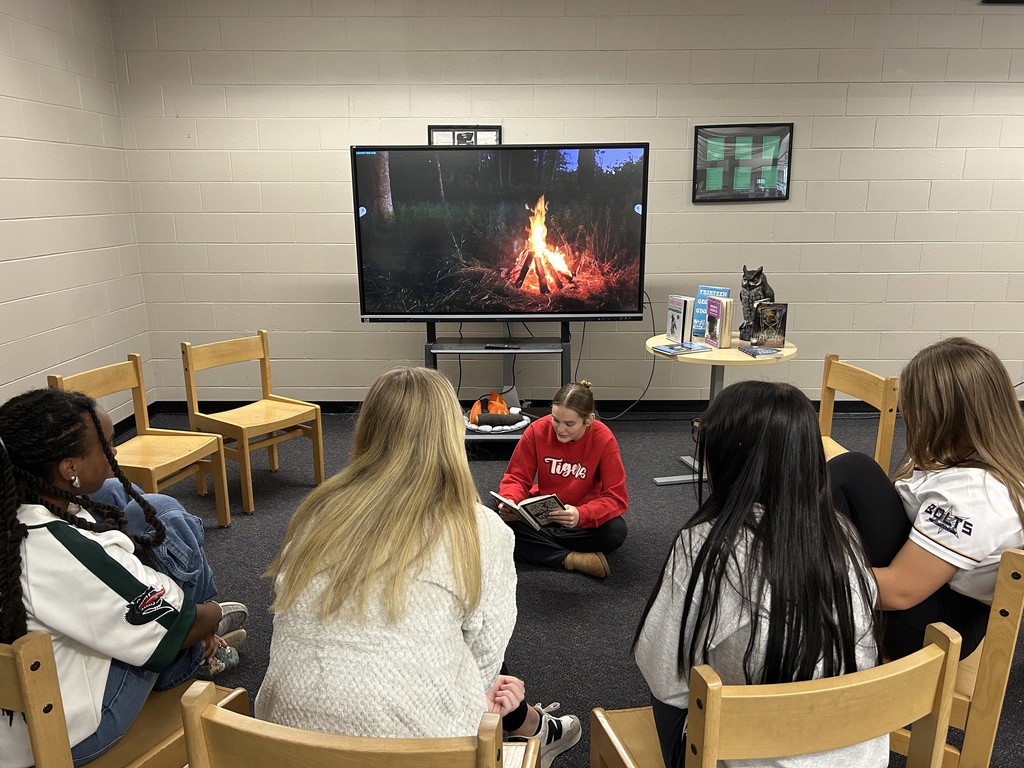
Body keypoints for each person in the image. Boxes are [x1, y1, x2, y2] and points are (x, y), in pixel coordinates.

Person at [255, 367, 580, 768]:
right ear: (451, 435)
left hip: (279, 744)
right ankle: (532, 731)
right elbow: (484, 663)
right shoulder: (479, 530)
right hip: (424, 753)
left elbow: (289, 616)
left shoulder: (314, 513)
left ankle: (528, 724)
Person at [634, 381, 885, 768]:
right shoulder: (843, 533)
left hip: (752, 755)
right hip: (859, 754)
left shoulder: (705, 544)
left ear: (723, 459)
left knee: (674, 679)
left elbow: (663, 673)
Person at [0, 388, 243, 768]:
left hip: (14, 722)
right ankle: (204, 652)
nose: (115, 455)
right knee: (167, 516)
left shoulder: (12, 512)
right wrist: (209, 614)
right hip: (62, 735)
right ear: (70, 468)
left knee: (115, 493)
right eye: (108, 447)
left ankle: (202, 643)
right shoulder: (60, 548)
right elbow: (182, 624)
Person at [829, 337, 1024, 660]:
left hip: (933, 630)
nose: (908, 414)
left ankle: (774, 569)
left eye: (914, 406)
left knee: (853, 471)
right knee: (851, 476)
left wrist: (809, 575)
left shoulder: (975, 495)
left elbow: (898, 592)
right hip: (934, 591)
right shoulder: (967, 455)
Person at [496, 380, 628, 578]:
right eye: (555, 419)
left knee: (615, 531)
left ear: (589, 420)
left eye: (569, 424)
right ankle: (572, 558)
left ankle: (538, 547)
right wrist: (509, 502)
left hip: (578, 521)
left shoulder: (604, 439)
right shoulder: (536, 430)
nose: (560, 429)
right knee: (493, 516)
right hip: (542, 513)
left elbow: (616, 497)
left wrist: (581, 514)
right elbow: (517, 477)